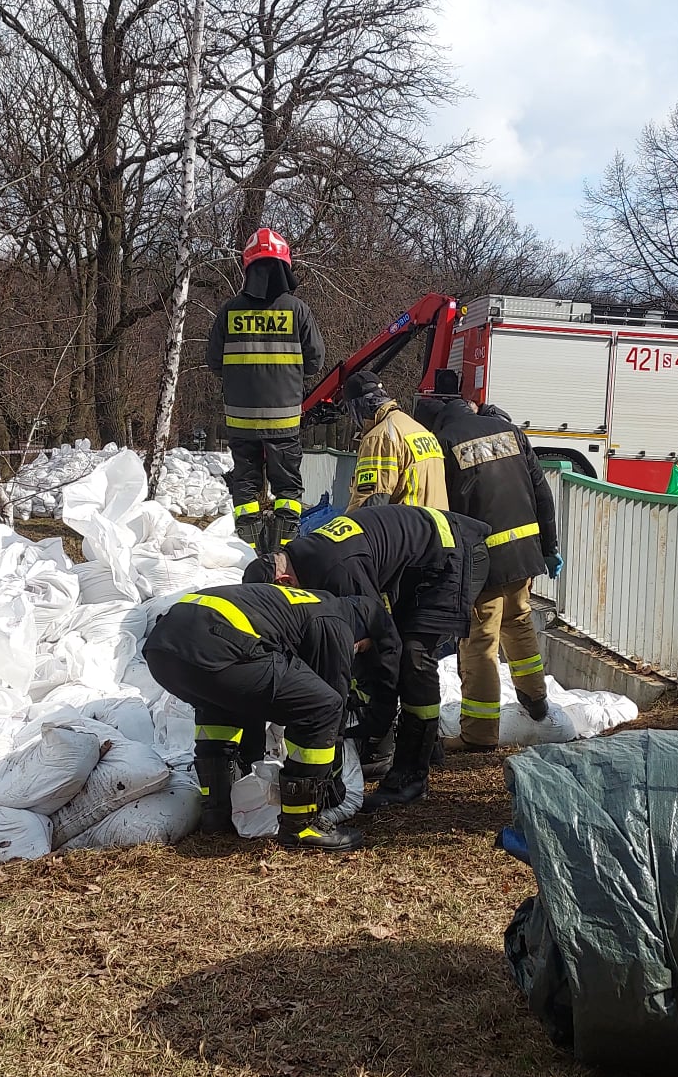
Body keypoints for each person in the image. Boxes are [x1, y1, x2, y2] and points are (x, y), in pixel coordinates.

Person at [248, 501, 488, 808]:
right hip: (423, 557)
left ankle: (411, 775)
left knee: (413, 657)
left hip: (453, 554)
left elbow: (382, 638)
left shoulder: (335, 571)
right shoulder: (303, 560)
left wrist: (380, 715)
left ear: (283, 582)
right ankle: (426, 747)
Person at [142, 582, 389, 851]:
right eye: (362, 649)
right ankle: (301, 826)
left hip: (162, 649)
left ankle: (216, 812)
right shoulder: (338, 622)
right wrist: (332, 780)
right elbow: (331, 702)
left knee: (222, 705)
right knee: (323, 706)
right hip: (215, 643)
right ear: (365, 634)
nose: (357, 653)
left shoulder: (308, 601)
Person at [425, 370, 560, 750]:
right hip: (523, 553)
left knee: (479, 643)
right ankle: (535, 700)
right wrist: (550, 547)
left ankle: (479, 735)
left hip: (482, 562)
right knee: (518, 623)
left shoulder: (444, 443)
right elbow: (541, 493)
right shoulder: (511, 432)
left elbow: (443, 512)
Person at [207, 228, 324, 554]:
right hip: (284, 421)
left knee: (245, 483)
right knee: (287, 486)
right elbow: (315, 361)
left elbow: (214, 361)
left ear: (248, 268)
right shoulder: (297, 310)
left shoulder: (230, 311)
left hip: (241, 421)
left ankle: (251, 550)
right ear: (284, 267)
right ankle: (284, 553)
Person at [344, 370, 448, 510]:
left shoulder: (380, 437)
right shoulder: (419, 430)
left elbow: (371, 502)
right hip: (437, 526)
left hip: (408, 527)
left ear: (357, 406)